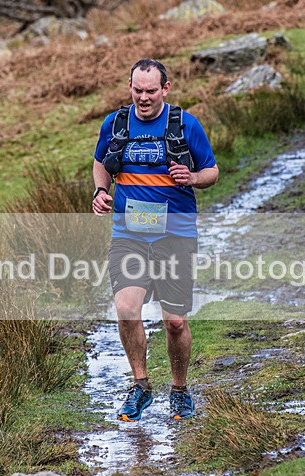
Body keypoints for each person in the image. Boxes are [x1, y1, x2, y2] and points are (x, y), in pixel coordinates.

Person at [92, 58, 219, 422]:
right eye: (137, 91)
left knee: (175, 322)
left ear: (166, 88)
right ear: (129, 87)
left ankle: (179, 391)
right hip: (128, 235)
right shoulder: (115, 123)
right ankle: (141, 386)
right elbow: (100, 160)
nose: (143, 98)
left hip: (175, 235)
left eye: (150, 91)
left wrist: (193, 178)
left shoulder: (185, 124)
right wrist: (101, 190)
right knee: (127, 308)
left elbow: (212, 171)